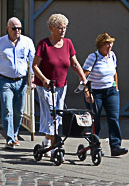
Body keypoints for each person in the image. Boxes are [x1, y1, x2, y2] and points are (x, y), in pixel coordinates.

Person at [32, 13, 88, 149]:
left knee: (58, 114)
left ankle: (46, 143)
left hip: (62, 86)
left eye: (64, 28)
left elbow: (74, 63)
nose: (63, 31)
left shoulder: (68, 43)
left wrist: (83, 77)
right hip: (46, 86)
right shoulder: (44, 44)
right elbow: (34, 66)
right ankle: (54, 148)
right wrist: (44, 79)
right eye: (60, 28)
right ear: (52, 28)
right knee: (51, 115)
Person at [0, 17, 35, 149]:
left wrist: (33, 79)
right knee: (7, 109)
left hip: (22, 81)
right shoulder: (0, 42)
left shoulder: (27, 42)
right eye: (14, 28)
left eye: (19, 28)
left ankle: (15, 134)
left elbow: (33, 61)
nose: (17, 31)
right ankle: (10, 137)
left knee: (19, 111)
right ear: (8, 29)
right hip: (4, 80)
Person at [82, 32, 127, 157]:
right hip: (95, 92)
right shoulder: (93, 57)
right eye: (107, 44)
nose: (110, 46)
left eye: (111, 43)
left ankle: (116, 146)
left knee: (113, 118)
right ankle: (95, 146)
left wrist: (116, 87)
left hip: (110, 91)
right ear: (100, 45)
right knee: (95, 120)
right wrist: (86, 91)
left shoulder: (112, 56)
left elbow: (114, 72)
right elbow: (84, 75)